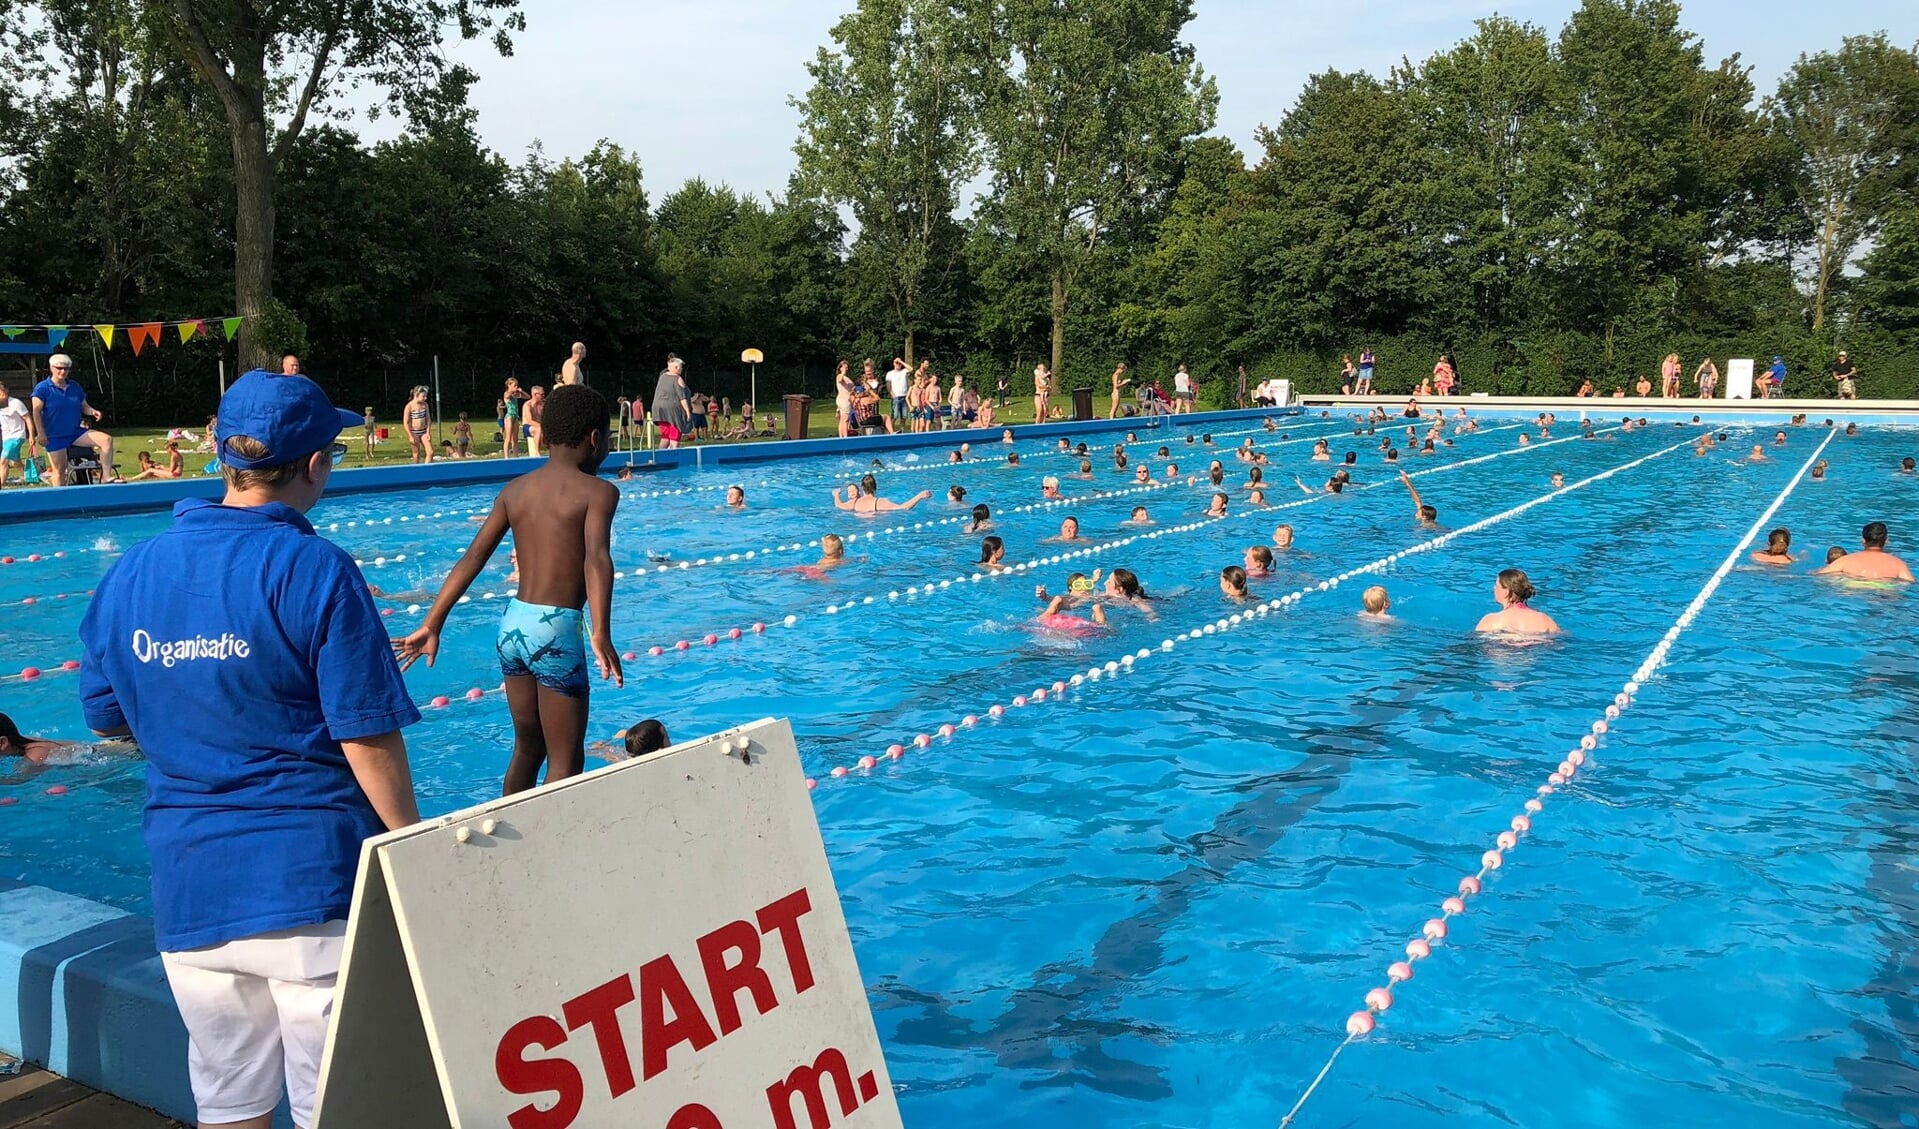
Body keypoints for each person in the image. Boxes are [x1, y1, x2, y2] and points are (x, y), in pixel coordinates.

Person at [77, 369, 420, 1129]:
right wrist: (411, 846)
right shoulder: (316, 568)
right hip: (311, 886)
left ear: (223, 459)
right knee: (337, 1104)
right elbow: (365, 733)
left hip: (191, 888)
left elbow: (106, 715)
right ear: (315, 464)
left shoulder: (133, 569)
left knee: (229, 1104)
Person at [397, 384, 623, 795]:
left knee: (527, 747)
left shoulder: (514, 490)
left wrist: (433, 623)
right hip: (556, 628)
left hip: (513, 624)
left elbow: (472, 558)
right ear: (594, 438)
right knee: (565, 760)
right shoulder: (599, 492)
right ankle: (554, 848)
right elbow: (596, 558)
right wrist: (601, 630)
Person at [32, 354, 118, 484]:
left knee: (106, 440)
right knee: (60, 470)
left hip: (74, 432)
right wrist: (41, 433)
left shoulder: (74, 386)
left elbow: (84, 406)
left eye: (66, 369)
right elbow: (36, 411)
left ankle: (106, 476)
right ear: (51, 368)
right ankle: (59, 500)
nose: (63, 371)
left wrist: (92, 411)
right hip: (55, 435)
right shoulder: (42, 388)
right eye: (59, 368)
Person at [1814, 521, 1913, 582]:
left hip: (1852, 589)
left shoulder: (1845, 561)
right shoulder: (1899, 564)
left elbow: (1819, 575)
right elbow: (1910, 583)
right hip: (1885, 590)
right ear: (1886, 541)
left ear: (1863, 541)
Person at [1475, 567, 1561, 634]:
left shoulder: (1491, 621)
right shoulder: (1545, 620)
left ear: (1506, 592)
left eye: (1496, 585)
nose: (1494, 588)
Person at [0, 379, 37, 487]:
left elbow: (28, 419)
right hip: (6, 437)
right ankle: (28, 478)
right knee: (15, 461)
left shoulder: (16, 403)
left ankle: (1, 484)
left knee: (4, 459)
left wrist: (31, 435)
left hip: (17, 436)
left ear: (6, 391)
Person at [833, 472, 930, 513]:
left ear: (862, 488)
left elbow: (839, 505)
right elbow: (904, 507)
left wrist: (836, 495)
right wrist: (919, 496)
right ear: (875, 487)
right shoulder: (880, 502)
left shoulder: (854, 502)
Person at [653, 356, 692, 449]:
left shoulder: (662, 377)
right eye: (681, 367)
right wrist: (687, 411)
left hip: (659, 410)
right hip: (673, 411)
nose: (681, 369)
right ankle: (674, 456)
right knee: (675, 434)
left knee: (665, 436)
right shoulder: (677, 378)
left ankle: (660, 457)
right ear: (676, 368)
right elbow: (682, 397)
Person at [403, 386, 433, 464]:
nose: (425, 398)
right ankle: (415, 471)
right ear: (416, 395)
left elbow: (428, 419)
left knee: (430, 452)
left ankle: (426, 470)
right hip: (414, 432)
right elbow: (405, 422)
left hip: (423, 432)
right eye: (423, 396)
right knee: (416, 454)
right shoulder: (409, 406)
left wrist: (428, 432)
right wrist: (410, 435)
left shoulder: (425, 405)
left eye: (426, 396)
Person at [502, 377, 529, 456]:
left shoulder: (515, 394)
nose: (516, 387)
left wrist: (521, 391)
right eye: (514, 385)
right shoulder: (507, 393)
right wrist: (512, 390)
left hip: (516, 417)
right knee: (508, 437)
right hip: (509, 417)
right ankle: (506, 456)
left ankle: (515, 455)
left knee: (515, 439)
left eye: (517, 385)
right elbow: (507, 396)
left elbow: (528, 397)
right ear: (509, 385)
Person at [887, 357, 911, 425]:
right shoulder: (890, 373)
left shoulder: (904, 371)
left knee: (904, 417)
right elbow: (888, 386)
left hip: (904, 397)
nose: (898, 364)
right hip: (896, 397)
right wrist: (893, 395)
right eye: (896, 363)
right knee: (894, 416)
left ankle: (902, 431)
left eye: (899, 363)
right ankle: (891, 432)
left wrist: (901, 361)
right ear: (893, 363)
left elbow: (911, 369)